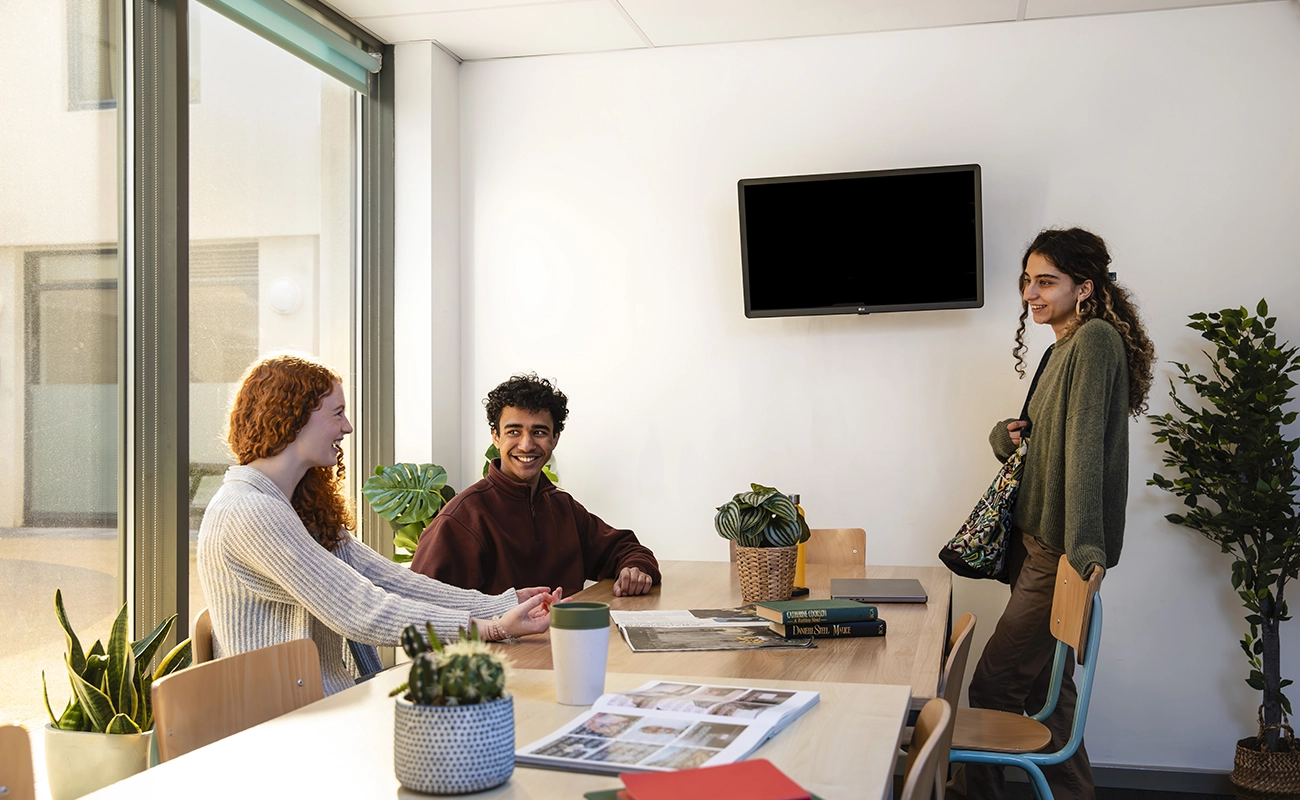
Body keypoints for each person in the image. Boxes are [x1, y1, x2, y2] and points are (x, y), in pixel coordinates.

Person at [197, 355, 556, 696]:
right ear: (294, 418)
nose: (347, 427)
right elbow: (359, 607)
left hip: (323, 700)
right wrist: (491, 628)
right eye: (337, 413)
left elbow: (392, 581)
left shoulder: (297, 508)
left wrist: (500, 604)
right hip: (281, 721)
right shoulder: (249, 511)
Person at [959, 228, 1154, 800]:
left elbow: (1087, 448)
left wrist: (1086, 549)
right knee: (1053, 695)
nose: (1031, 294)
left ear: (1085, 287)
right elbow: (1052, 442)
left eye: (1046, 281)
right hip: (1039, 541)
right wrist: (1007, 436)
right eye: (1028, 281)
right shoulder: (1060, 347)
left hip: (1059, 547)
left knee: (993, 686)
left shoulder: (1093, 341)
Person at [411, 373, 660, 598]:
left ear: (555, 439)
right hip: (499, 649)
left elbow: (624, 548)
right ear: (495, 437)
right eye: (514, 432)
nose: (527, 445)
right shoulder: (460, 520)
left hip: (566, 642)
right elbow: (423, 614)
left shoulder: (563, 508)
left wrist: (633, 570)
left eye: (539, 432)